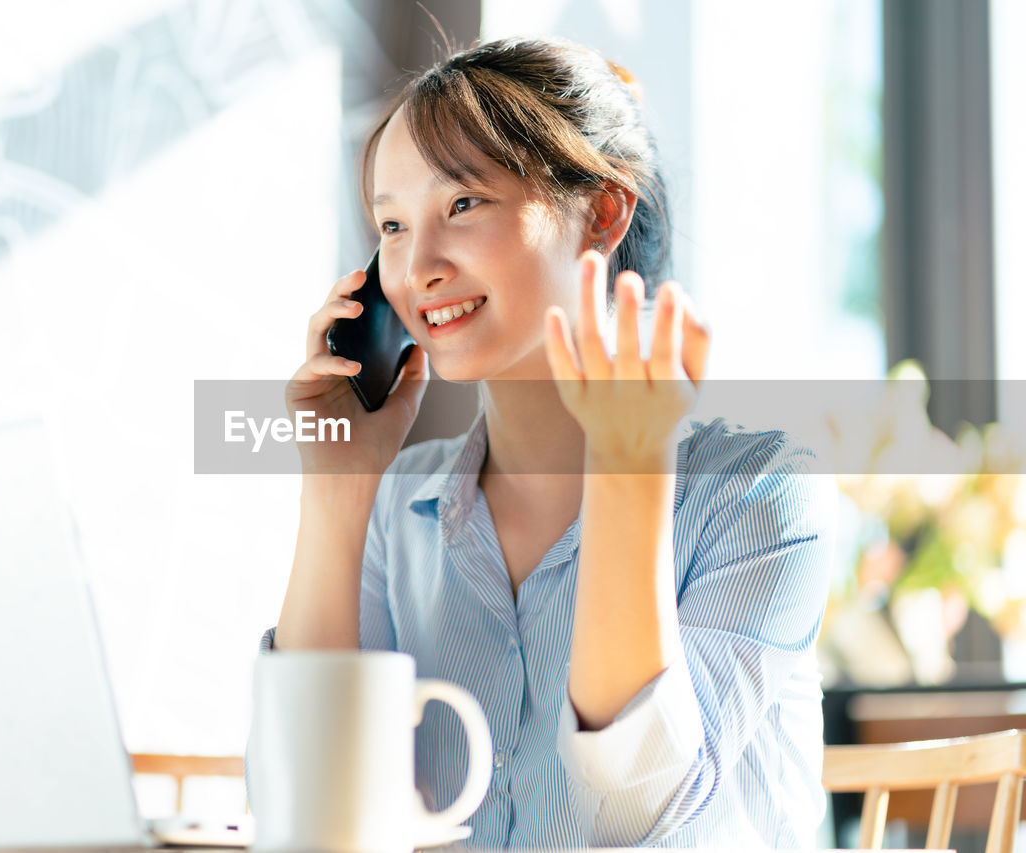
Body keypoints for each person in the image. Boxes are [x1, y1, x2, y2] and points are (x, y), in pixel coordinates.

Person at [249, 35, 834, 849]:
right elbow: (309, 810)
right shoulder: (396, 509)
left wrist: (629, 469)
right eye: (390, 224)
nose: (417, 265)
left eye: (462, 204)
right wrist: (337, 488)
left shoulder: (760, 489)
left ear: (601, 212)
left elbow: (635, 803)